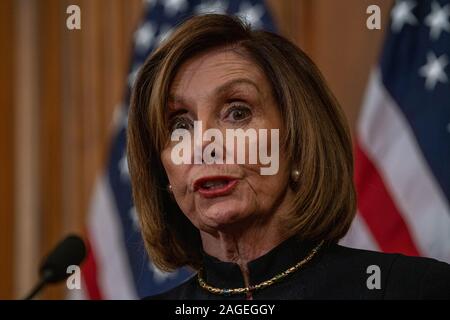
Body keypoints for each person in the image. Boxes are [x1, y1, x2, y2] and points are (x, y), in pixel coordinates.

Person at [127, 14, 450, 299]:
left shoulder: (414, 289)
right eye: (179, 125)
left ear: (297, 143)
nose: (202, 144)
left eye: (237, 112)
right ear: (165, 175)